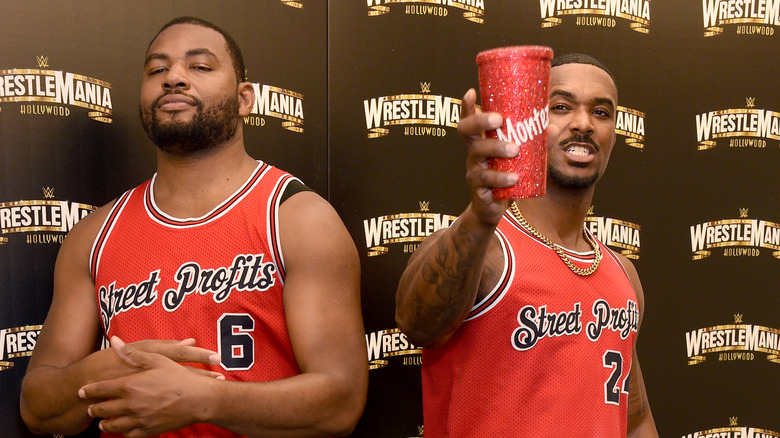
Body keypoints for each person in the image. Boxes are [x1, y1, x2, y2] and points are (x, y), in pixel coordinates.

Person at [20, 16, 367, 438]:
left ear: (244, 98)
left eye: (200, 66)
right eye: (157, 70)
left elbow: (341, 403)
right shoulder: (94, 235)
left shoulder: (297, 218)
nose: (174, 78)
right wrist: (104, 370)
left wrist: (206, 400)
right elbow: (37, 408)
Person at [395, 53, 658, 437]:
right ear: (533, 123)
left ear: (615, 133)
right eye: (561, 107)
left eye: (601, 112)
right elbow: (415, 323)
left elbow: (634, 419)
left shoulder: (622, 275)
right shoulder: (485, 247)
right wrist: (479, 217)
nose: (583, 124)